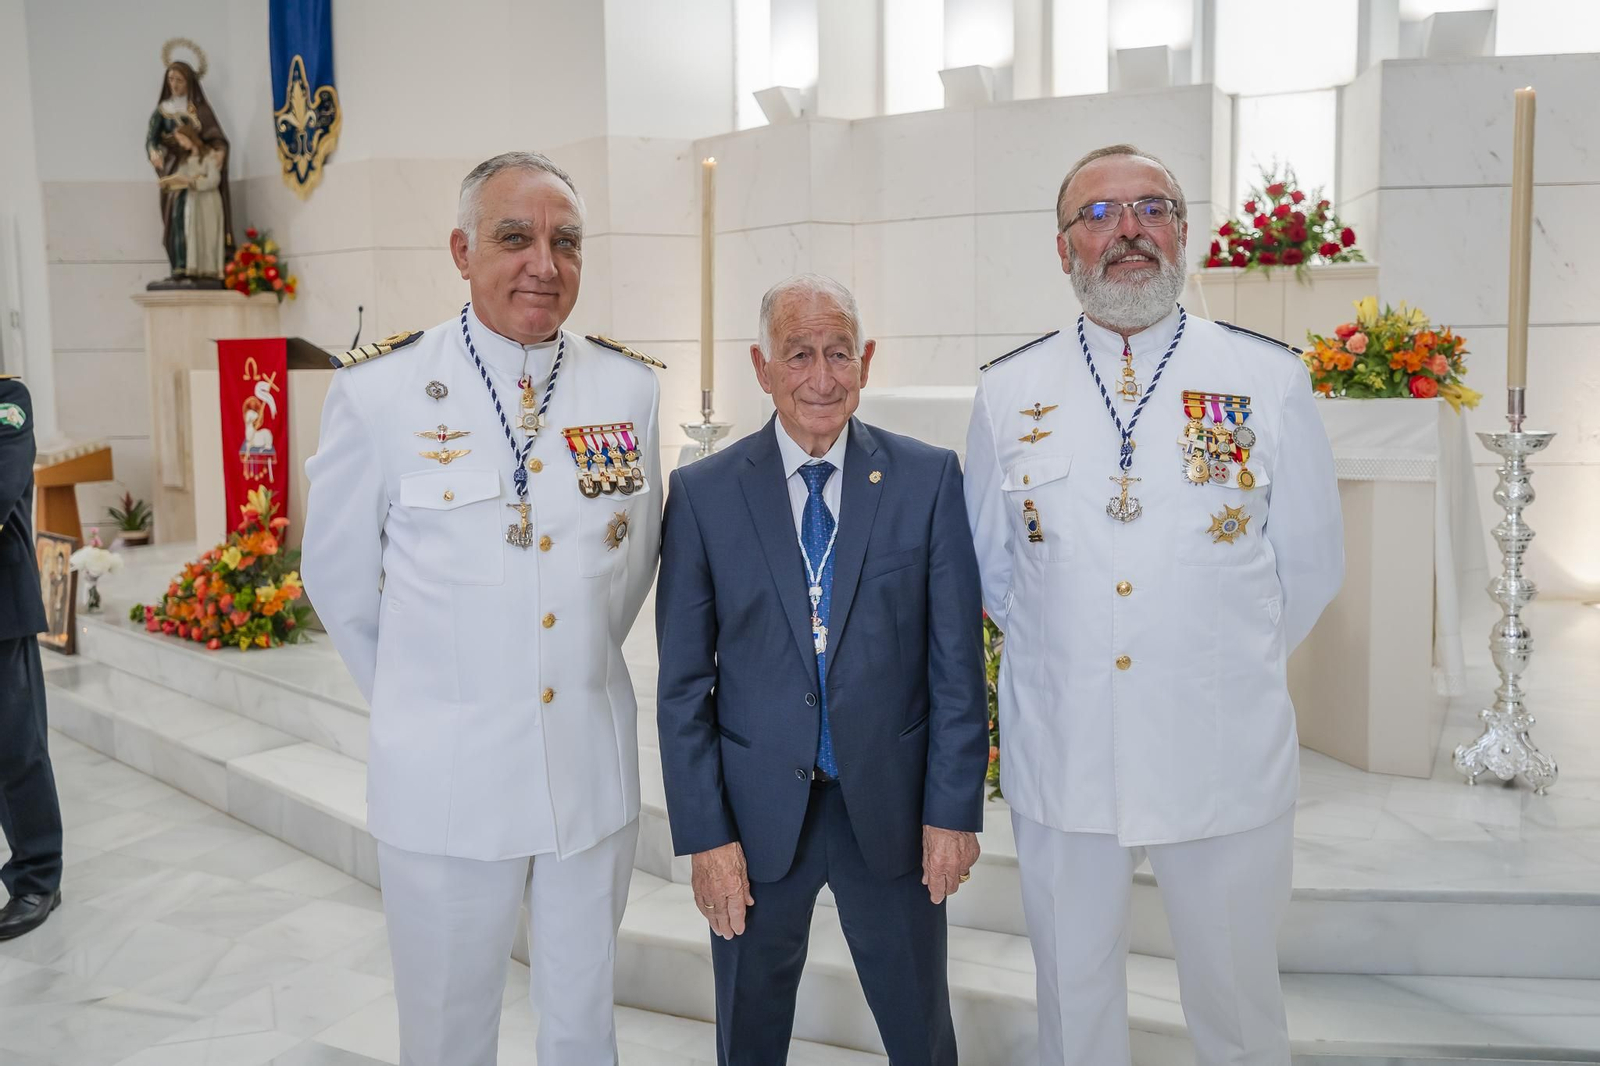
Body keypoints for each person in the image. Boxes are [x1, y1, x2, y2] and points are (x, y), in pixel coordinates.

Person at [963, 144, 1344, 1065]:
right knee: (1074, 1001)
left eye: (1151, 208)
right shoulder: (1009, 391)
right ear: (1063, 249)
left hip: (1220, 750)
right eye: (1098, 214)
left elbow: (1310, 568)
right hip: (1069, 750)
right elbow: (990, 571)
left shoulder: (1268, 380)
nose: (1126, 229)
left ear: (1184, 232)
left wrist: (1206, 658)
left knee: (1238, 1007)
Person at [302, 151, 663, 1066]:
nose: (545, 263)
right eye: (516, 238)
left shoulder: (627, 389)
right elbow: (338, 581)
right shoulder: (381, 391)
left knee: (583, 1028)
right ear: (462, 250)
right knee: (449, 1032)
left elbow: (625, 576)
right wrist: (431, 703)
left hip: (586, 769)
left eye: (566, 242)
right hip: (444, 782)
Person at [655, 273, 989, 1065]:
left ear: (866, 360)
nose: (821, 377)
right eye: (797, 354)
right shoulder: (702, 495)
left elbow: (956, 667)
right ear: (761, 366)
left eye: (839, 353)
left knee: (920, 1031)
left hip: (893, 814)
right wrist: (706, 836)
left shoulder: (927, 478)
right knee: (751, 1031)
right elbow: (681, 687)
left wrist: (953, 811)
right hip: (756, 820)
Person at [0, 374, 64, 941]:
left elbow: (2, 490)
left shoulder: (7, 402)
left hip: (1, 608)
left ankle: (38, 877)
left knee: (16, 748)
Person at [146, 60, 234, 283]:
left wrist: (220, 152)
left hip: (198, 167)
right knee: (175, 215)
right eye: (171, 80)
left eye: (179, 80)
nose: (174, 85)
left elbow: (217, 138)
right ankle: (180, 265)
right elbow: (151, 139)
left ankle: (200, 266)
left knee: (199, 221)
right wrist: (154, 152)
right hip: (174, 167)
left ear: (189, 83)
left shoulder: (200, 111)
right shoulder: (163, 111)